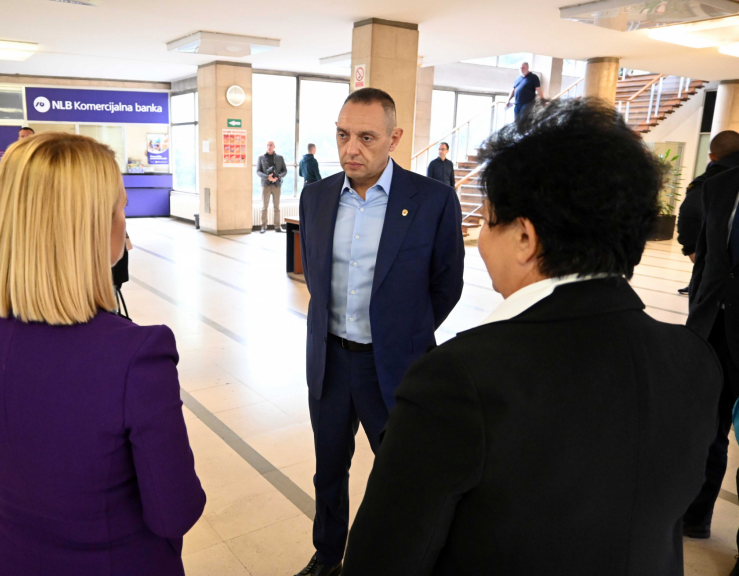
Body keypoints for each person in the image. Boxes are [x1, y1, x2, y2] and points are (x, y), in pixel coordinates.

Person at [341, 98, 721, 576]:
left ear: (525, 238)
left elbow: (383, 559)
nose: (481, 239)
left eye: (487, 220)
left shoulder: (457, 380)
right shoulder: (692, 359)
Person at [0, 132, 205, 575]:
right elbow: (174, 511)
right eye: (120, 209)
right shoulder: (136, 354)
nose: (125, 225)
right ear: (94, 227)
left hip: (14, 556)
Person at [296, 87, 465, 576]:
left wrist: (403, 333)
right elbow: (316, 276)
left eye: (366, 137)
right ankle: (328, 555)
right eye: (343, 135)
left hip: (392, 365)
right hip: (329, 362)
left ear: (394, 138)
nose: (351, 149)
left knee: (401, 475)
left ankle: (397, 562)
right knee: (329, 470)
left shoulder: (432, 200)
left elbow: (446, 284)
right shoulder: (317, 196)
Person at [683, 129, 739, 568]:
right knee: (706, 429)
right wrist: (696, 321)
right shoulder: (720, 186)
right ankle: (696, 517)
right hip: (713, 328)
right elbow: (705, 260)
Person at [677, 130, 739, 295]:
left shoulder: (709, 181)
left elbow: (689, 214)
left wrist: (690, 249)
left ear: (712, 157)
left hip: (720, 272)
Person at [257, 140, 287, 233]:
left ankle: (277, 227)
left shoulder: (280, 158)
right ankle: (263, 227)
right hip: (265, 185)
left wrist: (278, 176)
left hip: (277, 185)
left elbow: (285, 170)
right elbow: (258, 171)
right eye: (267, 145)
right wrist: (267, 177)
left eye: (271, 145)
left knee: (276, 207)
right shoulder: (261, 158)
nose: (269, 147)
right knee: (264, 207)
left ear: (274, 146)